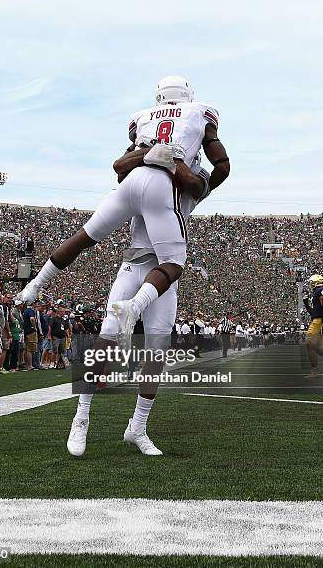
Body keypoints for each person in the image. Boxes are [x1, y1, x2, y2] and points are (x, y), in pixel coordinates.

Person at [18, 76, 230, 349]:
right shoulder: (198, 122)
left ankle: (36, 283)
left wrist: (150, 152)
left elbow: (119, 169)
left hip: (132, 213)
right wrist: (171, 159)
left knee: (84, 238)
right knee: (174, 268)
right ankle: (134, 308)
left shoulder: (143, 121)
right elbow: (217, 171)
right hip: (157, 222)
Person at [67, 145, 228, 457]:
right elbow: (120, 168)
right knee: (108, 334)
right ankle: (81, 416)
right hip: (135, 262)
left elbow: (202, 183)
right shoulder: (145, 165)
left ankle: (138, 426)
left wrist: (176, 160)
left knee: (157, 351)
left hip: (166, 270)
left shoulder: (193, 174)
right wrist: (150, 152)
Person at [304, 274, 323, 378]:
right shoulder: (316, 291)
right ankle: (314, 371)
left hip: (319, 320)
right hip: (317, 319)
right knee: (314, 346)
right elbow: (314, 312)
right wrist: (306, 304)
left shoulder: (320, 290)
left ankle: (314, 371)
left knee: (310, 344)